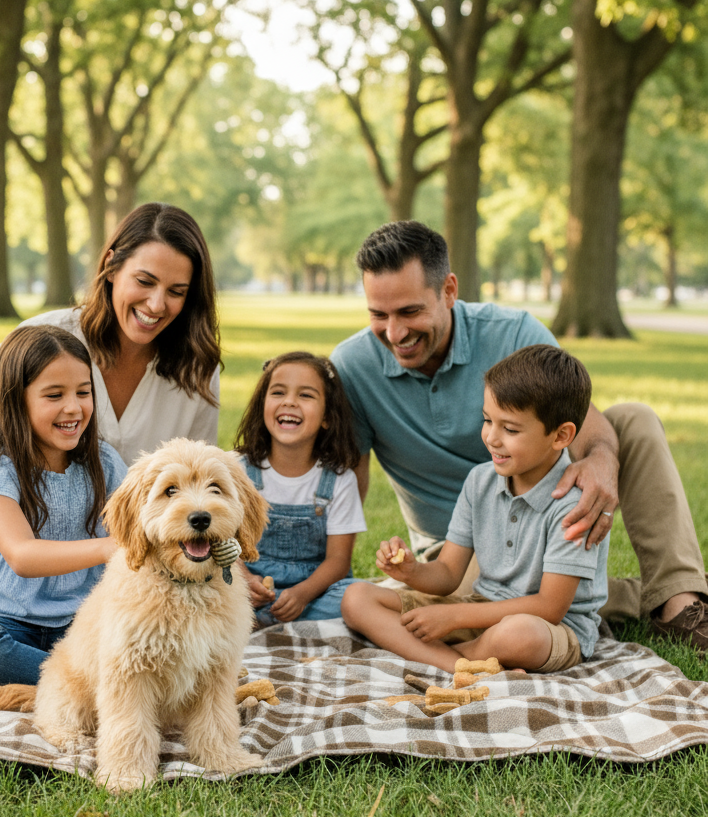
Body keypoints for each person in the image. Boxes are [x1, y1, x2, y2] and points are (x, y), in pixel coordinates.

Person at [330, 220, 708, 649]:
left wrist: (602, 460)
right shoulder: (352, 365)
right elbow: (349, 477)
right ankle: (625, 597)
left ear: (449, 291)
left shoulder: (511, 332)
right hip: (457, 556)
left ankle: (680, 601)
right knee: (512, 599)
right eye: (379, 315)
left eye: (410, 312)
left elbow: (581, 415)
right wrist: (331, 573)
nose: (394, 333)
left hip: (544, 515)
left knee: (635, 419)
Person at [0, 202, 222, 643]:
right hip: (23, 539)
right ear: (111, 266)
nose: (156, 304)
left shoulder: (196, 371)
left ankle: (92, 669)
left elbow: (198, 478)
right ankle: (75, 671)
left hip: (128, 553)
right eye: (144, 282)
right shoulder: (41, 340)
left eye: (176, 291)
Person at [342, 345, 609, 673]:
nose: (491, 438)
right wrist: (411, 572)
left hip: (552, 629)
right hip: (480, 607)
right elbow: (448, 575)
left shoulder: (575, 503)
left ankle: (446, 657)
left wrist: (452, 618)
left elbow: (549, 607)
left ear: (561, 435)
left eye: (510, 429)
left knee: (518, 636)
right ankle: (463, 661)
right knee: (357, 599)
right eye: (487, 421)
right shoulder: (480, 481)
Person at [0, 324, 127, 686]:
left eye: (83, 392)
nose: (73, 407)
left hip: (82, 618)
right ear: (16, 399)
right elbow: (23, 556)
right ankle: (91, 685)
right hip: (8, 619)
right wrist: (110, 546)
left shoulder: (104, 462)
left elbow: (141, 519)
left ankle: (78, 678)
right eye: (54, 395)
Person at [232, 352, 365, 626]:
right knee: (202, 589)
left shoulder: (339, 480)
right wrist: (244, 579)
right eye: (278, 392)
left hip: (314, 593)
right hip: (244, 584)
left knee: (357, 598)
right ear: (262, 406)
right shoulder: (234, 469)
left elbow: (338, 561)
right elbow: (219, 541)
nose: (290, 402)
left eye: (306, 395)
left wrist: (302, 595)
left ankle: (267, 623)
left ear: (327, 416)